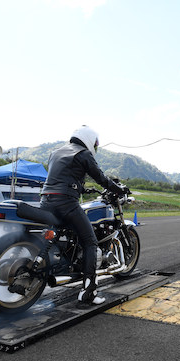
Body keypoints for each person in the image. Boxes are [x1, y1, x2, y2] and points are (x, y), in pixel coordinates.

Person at [40, 125, 126, 307]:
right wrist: (118, 189)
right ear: (88, 140)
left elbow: (61, 178)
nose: (94, 148)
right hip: (66, 203)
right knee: (90, 241)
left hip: (46, 201)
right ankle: (89, 292)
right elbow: (101, 178)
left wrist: (82, 188)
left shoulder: (55, 152)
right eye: (94, 144)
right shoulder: (83, 154)